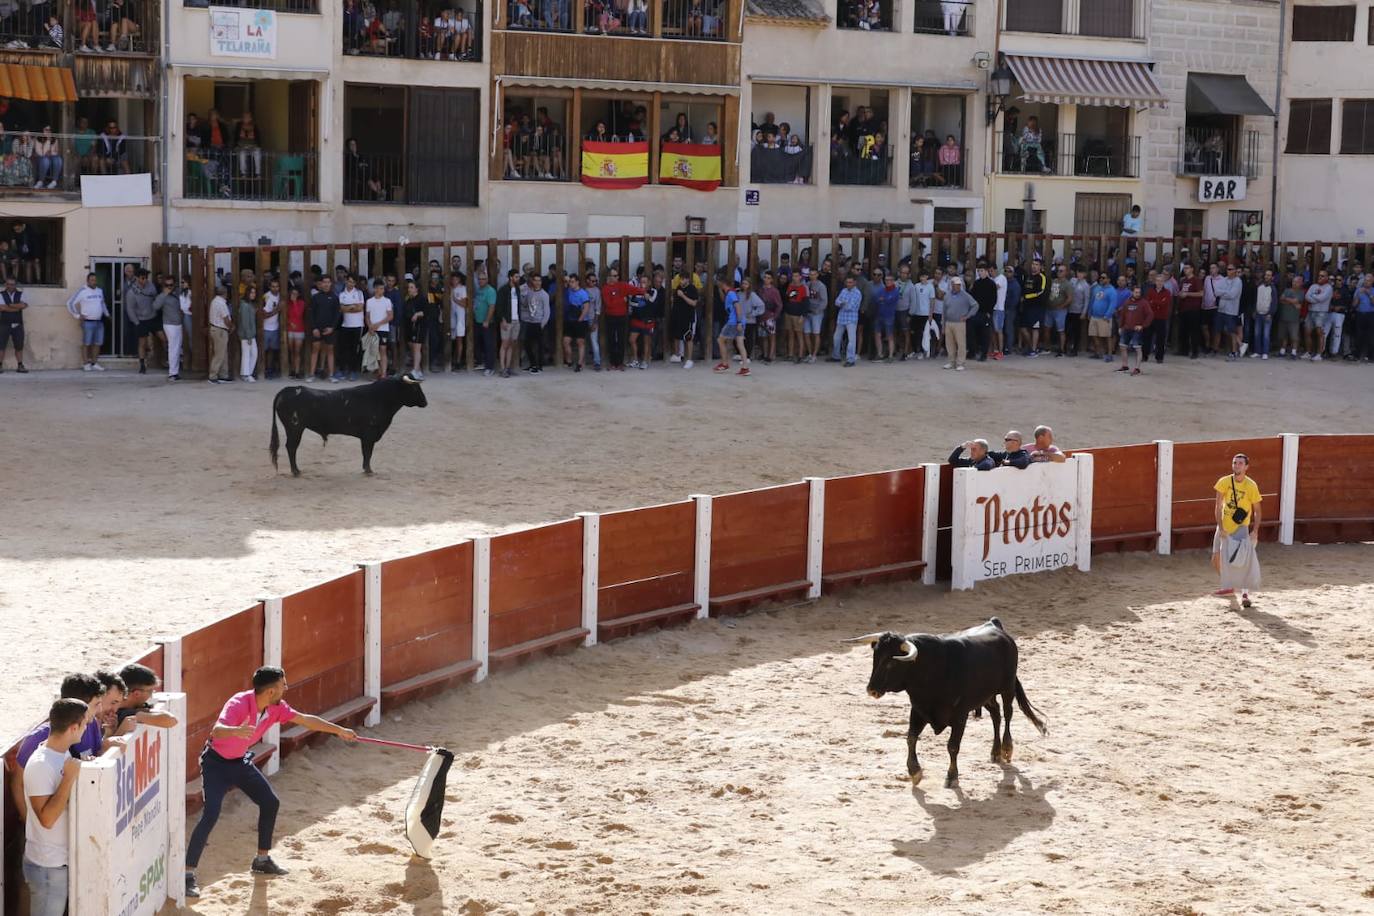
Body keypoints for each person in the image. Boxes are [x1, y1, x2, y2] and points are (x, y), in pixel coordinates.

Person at [184, 667, 357, 900]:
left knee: (270, 802)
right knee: (211, 814)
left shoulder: (276, 708)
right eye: (284, 684)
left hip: (239, 762)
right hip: (215, 764)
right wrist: (237, 730)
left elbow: (305, 720)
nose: (286, 688)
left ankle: (262, 860)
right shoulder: (239, 702)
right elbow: (216, 732)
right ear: (272, 690)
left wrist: (338, 730)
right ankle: (187, 874)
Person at [23, 698, 86, 916]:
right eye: (84, 725)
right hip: (48, 865)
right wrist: (68, 779)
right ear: (74, 727)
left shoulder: (63, 754)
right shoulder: (41, 764)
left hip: (59, 862)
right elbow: (47, 819)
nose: (86, 729)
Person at [1213, 453, 1262, 609]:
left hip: (1241, 527)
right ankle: (1229, 586)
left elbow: (1257, 511)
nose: (1237, 465)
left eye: (1240, 463)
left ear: (1246, 467)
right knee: (1216, 558)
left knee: (1242, 561)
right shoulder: (1224, 482)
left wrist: (1255, 530)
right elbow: (1218, 506)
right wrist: (1220, 527)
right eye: (1235, 463)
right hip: (1224, 526)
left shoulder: (1251, 485)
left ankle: (1245, 594)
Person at [112, 662, 179, 735]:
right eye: (150, 691)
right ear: (137, 693)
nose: (152, 694)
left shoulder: (128, 707)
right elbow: (171, 720)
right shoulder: (124, 714)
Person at [67, 272, 109, 372]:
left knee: (98, 343)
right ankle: (86, 363)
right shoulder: (83, 291)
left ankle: (94, 363)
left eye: (95, 280)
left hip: (99, 322)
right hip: (87, 322)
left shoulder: (99, 291)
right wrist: (77, 315)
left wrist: (107, 314)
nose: (94, 282)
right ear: (87, 281)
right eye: (92, 280)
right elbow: (70, 303)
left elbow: (102, 304)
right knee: (87, 343)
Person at [125, 268, 158, 374]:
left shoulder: (151, 286)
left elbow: (155, 297)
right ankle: (142, 365)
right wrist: (136, 322)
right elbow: (130, 309)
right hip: (141, 320)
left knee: (163, 338)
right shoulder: (131, 292)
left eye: (146, 278)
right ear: (137, 278)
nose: (145, 280)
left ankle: (164, 360)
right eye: (143, 278)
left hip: (153, 317)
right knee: (142, 343)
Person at [1115, 283, 1153, 376]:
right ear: (1132, 292)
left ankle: (1137, 368)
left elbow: (1150, 315)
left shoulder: (1144, 302)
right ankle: (1125, 365)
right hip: (1126, 328)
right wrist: (1120, 326)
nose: (1137, 294)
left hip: (1137, 329)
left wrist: (1143, 326)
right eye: (1136, 292)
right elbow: (1123, 315)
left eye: (1139, 292)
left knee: (1137, 348)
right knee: (1122, 346)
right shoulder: (1127, 302)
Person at [308, 275, 340, 382]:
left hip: (330, 329)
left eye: (328, 282)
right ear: (320, 284)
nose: (326, 284)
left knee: (330, 351)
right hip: (317, 329)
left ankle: (331, 375)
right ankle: (311, 375)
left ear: (331, 284)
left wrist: (332, 328)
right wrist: (314, 328)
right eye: (324, 282)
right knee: (315, 350)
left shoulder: (335, 297)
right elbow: (311, 314)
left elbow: (337, 315)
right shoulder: (315, 297)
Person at [941, 274, 977, 371]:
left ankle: (960, 363)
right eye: (956, 284)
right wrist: (943, 325)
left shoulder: (965, 295)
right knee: (949, 343)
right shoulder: (947, 296)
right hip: (949, 322)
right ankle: (951, 362)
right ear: (952, 285)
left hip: (959, 323)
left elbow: (975, 305)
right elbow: (944, 311)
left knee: (961, 344)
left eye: (959, 285)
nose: (957, 286)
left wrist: (967, 316)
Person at [715, 278, 750, 375]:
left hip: (734, 322)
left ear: (722, 283)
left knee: (720, 340)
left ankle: (724, 364)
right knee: (740, 343)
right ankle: (745, 368)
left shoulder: (731, 294)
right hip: (739, 321)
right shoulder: (731, 293)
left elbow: (737, 306)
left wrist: (738, 322)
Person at [336, 274, 365, 381]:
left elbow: (360, 308)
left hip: (357, 325)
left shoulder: (359, 293)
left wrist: (348, 308)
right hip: (346, 325)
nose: (350, 284)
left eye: (352, 282)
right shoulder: (342, 294)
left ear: (355, 283)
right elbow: (341, 309)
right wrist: (352, 306)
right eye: (349, 281)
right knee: (344, 349)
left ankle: (354, 371)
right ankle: (343, 370)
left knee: (355, 349)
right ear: (346, 281)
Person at [520, 273, 550, 373]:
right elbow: (524, 304)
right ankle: (533, 364)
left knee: (540, 345)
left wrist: (542, 324)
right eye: (535, 280)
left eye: (539, 280)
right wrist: (523, 295)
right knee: (527, 344)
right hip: (530, 321)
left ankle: (539, 366)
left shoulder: (544, 295)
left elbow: (547, 311)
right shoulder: (529, 292)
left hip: (539, 322)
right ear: (532, 281)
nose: (537, 282)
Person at [669, 268, 699, 369]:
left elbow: (694, 303)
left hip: (688, 317)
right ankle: (677, 355)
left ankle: (689, 359)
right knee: (677, 336)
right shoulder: (678, 288)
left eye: (683, 279)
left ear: (687, 279)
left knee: (688, 338)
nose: (681, 281)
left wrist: (683, 296)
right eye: (680, 279)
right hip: (678, 317)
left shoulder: (692, 289)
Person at [364, 278, 393, 379]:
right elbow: (367, 316)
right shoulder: (369, 301)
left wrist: (378, 324)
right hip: (373, 329)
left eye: (383, 288)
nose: (382, 290)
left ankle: (384, 373)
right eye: (380, 288)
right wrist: (370, 326)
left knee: (382, 350)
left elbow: (390, 316)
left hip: (383, 329)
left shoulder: (387, 301)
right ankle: (378, 371)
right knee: (374, 351)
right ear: (375, 289)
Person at [154, 276, 182, 380]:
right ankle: (172, 372)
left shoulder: (177, 293)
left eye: (171, 285)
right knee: (173, 347)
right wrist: (164, 294)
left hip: (179, 323)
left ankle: (175, 371)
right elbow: (155, 306)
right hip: (169, 324)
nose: (169, 287)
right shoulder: (162, 295)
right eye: (167, 285)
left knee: (177, 348)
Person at [496, 269, 521, 378]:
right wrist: (503, 320)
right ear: (510, 277)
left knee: (511, 344)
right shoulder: (503, 290)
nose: (518, 279)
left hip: (516, 320)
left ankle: (507, 367)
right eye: (516, 277)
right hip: (507, 320)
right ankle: (502, 368)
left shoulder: (517, 290)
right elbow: (499, 306)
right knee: (505, 344)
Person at [831, 274, 861, 367]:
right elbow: (836, 301)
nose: (848, 284)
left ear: (855, 283)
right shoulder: (843, 290)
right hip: (841, 318)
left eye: (850, 282)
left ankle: (850, 359)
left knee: (851, 340)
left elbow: (850, 306)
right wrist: (842, 303)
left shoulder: (857, 293)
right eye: (847, 282)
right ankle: (836, 356)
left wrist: (842, 303)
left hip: (851, 319)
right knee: (836, 337)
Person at [1144, 271, 1173, 364]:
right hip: (1151, 317)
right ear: (1155, 281)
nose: (1159, 282)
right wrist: (1158, 302)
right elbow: (1148, 303)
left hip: (1161, 318)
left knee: (1160, 339)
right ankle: (1145, 356)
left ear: (1164, 282)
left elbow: (1165, 304)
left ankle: (1159, 357)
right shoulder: (1150, 291)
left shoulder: (1167, 292)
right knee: (1147, 337)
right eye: (1157, 280)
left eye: (1161, 281)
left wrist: (1154, 302)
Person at [1304, 269, 1333, 361]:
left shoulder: (1329, 287)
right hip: (1311, 311)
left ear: (1327, 278)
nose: (1320, 277)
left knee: (1319, 333)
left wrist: (1313, 297)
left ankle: (1319, 354)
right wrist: (1315, 298)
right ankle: (1308, 352)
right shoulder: (1313, 286)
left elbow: (1322, 298)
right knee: (1307, 332)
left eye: (1322, 276)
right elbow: (1307, 297)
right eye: (1319, 275)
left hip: (1321, 312)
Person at [0, 276, 27, 373]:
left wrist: (9, 305)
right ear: (5, 284)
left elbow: (23, 305)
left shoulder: (21, 294)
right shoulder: (1, 294)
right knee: (1, 346)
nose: (10, 286)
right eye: (8, 284)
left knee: (19, 346)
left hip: (18, 324)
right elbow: (1, 308)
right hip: (4, 324)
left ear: (15, 284)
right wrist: (16, 307)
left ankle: (20, 366)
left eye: (12, 284)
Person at [1276, 274, 1304, 360]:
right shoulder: (1287, 290)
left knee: (1294, 336)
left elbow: (1297, 301)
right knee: (1283, 335)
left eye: (1296, 282)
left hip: (1294, 318)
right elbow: (1281, 299)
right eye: (1293, 281)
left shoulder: (1301, 292)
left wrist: (1287, 300)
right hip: (1284, 316)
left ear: (1300, 283)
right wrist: (1293, 303)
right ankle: (1282, 351)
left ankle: (1294, 352)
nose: (1294, 283)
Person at [448, 272, 468, 371]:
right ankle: (451, 360)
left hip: (460, 318)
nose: (454, 281)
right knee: (451, 339)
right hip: (451, 317)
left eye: (456, 279)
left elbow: (465, 303)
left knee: (459, 340)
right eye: (453, 279)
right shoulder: (449, 288)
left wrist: (455, 299)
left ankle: (458, 361)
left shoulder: (463, 289)